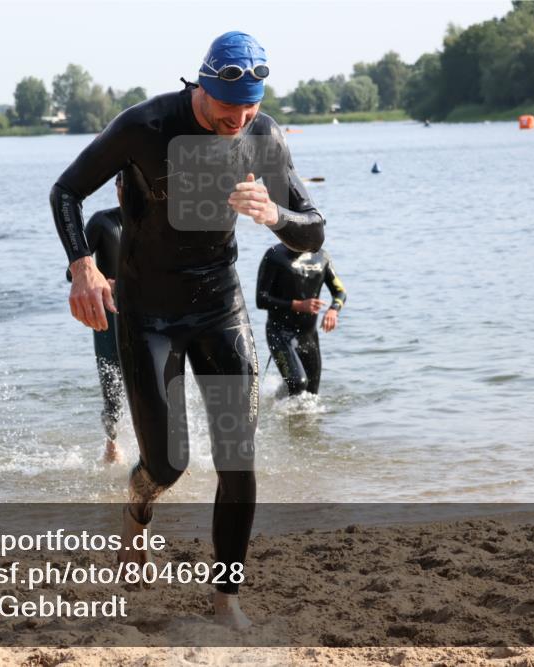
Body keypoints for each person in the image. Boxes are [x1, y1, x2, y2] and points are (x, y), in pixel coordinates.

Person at [49, 31, 325, 629]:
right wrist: (83, 266)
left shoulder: (263, 136)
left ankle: (226, 599)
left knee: (237, 457)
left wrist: (275, 215)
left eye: (249, 108)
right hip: (148, 315)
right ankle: (137, 509)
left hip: (220, 308)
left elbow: (313, 227)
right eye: (228, 108)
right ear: (202, 86)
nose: (238, 121)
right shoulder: (144, 126)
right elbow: (66, 191)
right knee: (168, 464)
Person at [65, 173, 126, 464]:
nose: (126, 191)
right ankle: (112, 446)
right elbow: (73, 273)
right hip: (109, 315)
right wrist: (103, 281)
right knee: (111, 381)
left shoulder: (154, 223)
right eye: (122, 186)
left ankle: (158, 448)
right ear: (117, 188)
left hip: (146, 312)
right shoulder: (103, 222)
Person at [256, 244, 346, 396]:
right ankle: (279, 405)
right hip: (279, 334)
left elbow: (340, 292)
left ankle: (278, 403)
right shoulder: (274, 255)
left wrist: (333, 310)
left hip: (308, 336)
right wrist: (297, 305)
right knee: (298, 382)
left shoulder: (322, 257)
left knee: (311, 393)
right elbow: (261, 299)